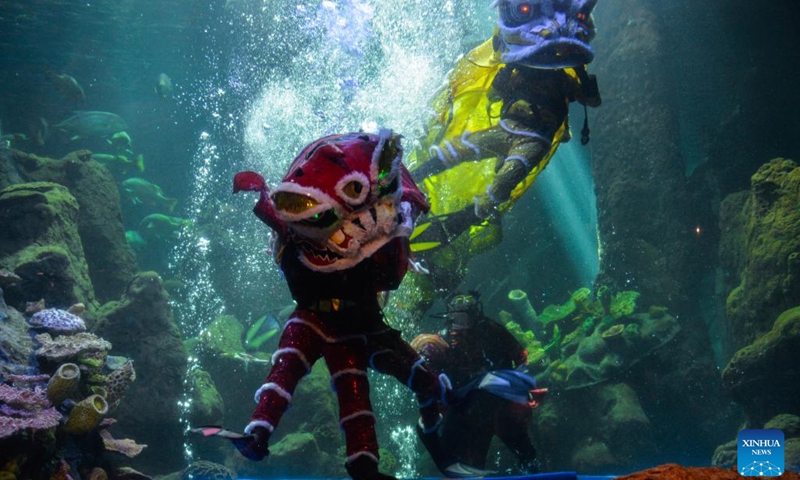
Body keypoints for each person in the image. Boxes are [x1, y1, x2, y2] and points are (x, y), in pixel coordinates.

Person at [229, 130, 456, 480]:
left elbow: (389, 264)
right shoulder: (300, 237)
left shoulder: (376, 233)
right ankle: (260, 433)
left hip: (359, 322)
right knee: (299, 372)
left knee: (374, 389)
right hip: (321, 318)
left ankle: (421, 436)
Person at [413, 292, 544, 475]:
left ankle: (531, 470)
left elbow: (520, 355)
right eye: (458, 317)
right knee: (466, 459)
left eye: (467, 314)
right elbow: (434, 377)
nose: (462, 326)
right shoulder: (445, 341)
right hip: (466, 407)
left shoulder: (491, 329)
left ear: (476, 312)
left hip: (500, 401)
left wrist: (521, 385)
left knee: (522, 448)